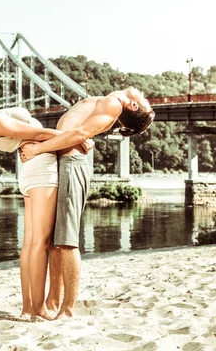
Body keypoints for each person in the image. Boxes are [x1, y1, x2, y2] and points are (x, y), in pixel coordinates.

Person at [0, 107, 93, 321]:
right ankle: (39, 309)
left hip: (31, 171)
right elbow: (39, 135)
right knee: (40, 244)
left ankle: (28, 308)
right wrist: (77, 136)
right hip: (41, 169)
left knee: (31, 244)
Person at [19, 87, 155, 319]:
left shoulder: (113, 104)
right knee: (54, 241)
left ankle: (68, 309)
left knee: (67, 241)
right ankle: (53, 300)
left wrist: (37, 148)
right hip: (64, 162)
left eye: (144, 99)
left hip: (72, 164)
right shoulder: (107, 102)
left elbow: (80, 133)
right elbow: (77, 132)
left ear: (133, 106)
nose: (143, 92)